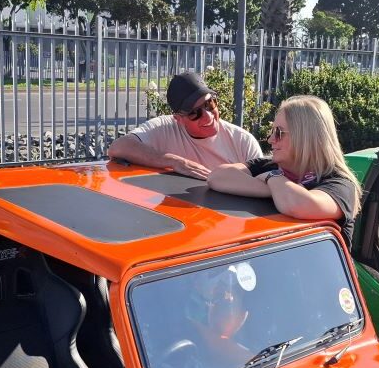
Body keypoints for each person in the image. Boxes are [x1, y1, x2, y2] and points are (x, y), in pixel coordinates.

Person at [206, 95, 361, 246]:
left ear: (305, 137)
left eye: (279, 133)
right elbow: (217, 176)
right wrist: (272, 189)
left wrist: (272, 178)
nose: (270, 139)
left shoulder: (340, 184)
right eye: (272, 131)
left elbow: (299, 205)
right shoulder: (270, 164)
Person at [107, 71, 263, 179]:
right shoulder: (164, 128)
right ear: (178, 118)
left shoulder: (243, 141)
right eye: (195, 113)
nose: (208, 115)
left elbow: (265, 183)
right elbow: (118, 147)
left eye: (210, 103)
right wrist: (174, 162)